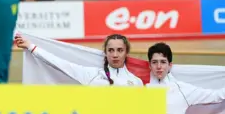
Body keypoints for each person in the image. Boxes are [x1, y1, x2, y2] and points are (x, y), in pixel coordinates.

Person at [146, 43, 225, 114]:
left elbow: (218, 96)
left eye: (163, 62)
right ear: (150, 66)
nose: (159, 66)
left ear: (170, 65)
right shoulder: (142, 88)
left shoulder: (182, 90)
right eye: (154, 62)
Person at [15, 33, 144, 87]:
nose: (115, 55)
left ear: (126, 52)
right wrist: (31, 47)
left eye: (120, 50)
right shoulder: (92, 74)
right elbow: (59, 63)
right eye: (111, 50)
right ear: (105, 52)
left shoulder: (136, 82)